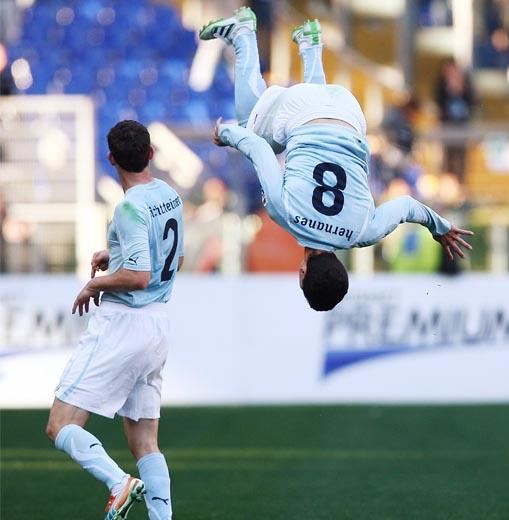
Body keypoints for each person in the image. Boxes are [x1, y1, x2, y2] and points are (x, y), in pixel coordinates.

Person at [200, 9, 472, 311]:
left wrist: (441, 228)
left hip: (350, 112)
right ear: (302, 273)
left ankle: (310, 45)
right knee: (251, 125)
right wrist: (228, 135)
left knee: (299, 127)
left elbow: (408, 206)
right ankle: (241, 34)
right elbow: (259, 150)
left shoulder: (365, 232)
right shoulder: (284, 213)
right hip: (305, 113)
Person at [45, 120, 184, 520]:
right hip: (158, 327)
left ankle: (118, 483)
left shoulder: (128, 207)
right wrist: (116, 252)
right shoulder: (168, 196)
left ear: (111, 160)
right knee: (144, 441)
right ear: (152, 153)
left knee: (60, 425)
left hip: (124, 324)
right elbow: (167, 258)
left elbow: (138, 277)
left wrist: (96, 285)